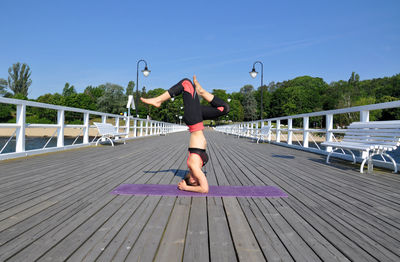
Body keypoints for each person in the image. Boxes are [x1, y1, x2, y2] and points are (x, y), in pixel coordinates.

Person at [140, 76, 229, 193]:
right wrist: (189, 187)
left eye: (192, 181)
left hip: (194, 121)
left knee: (186, 83)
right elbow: (204, 188)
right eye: (197, 181)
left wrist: (186, 187)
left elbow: (204, 189)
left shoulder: (193, 166)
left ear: (187, 177)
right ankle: (202, 92)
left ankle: (158, 100)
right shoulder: (197, 168)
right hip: (197, 119)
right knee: (224, 108)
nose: (196, 179)